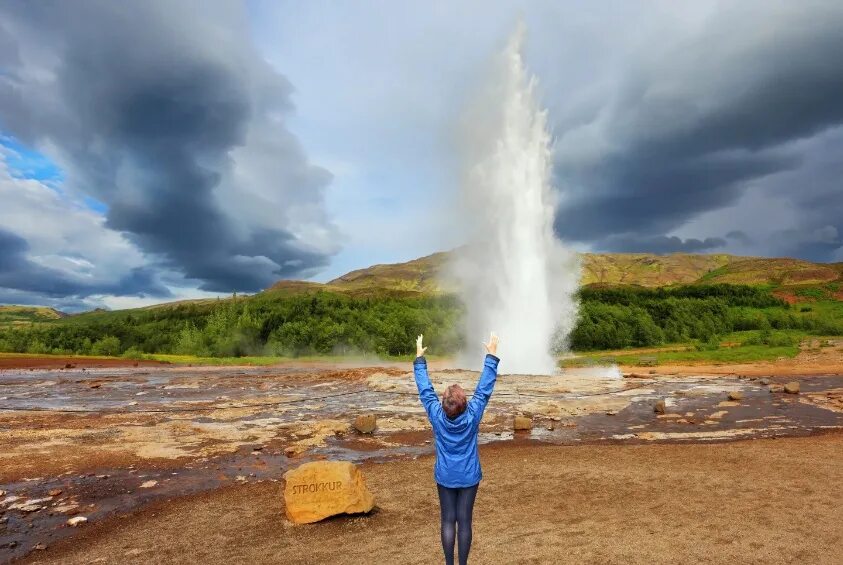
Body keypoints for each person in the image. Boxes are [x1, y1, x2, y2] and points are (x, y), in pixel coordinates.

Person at [413, 332, 500, 565]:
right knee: (465, 522)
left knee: (447, 521)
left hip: (445, 475)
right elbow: (484, 390)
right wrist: (491, 356)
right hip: (469, 475)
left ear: (444, 404)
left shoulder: (436, 414)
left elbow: (425, 391)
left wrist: (419, 360)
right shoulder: (472, 415)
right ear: (464, 404)